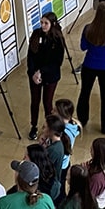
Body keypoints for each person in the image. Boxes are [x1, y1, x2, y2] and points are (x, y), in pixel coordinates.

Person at [76, 2, 105, 134]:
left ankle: (82, 120)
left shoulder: (88, 28)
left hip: (89, 64)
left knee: (85, 92)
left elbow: (83, 47)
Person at [27, 12, 65, 140]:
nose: (43, 25)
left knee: (47, 103)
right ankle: (33, 126)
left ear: (52, 24)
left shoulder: (57, 38)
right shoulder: (36, 34)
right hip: (35, 76)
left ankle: (50, 127)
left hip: (50, 76)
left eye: (46, 23)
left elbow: (57, 62)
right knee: (35, 101)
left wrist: (41, 71)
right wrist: (33, 73)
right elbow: (30, 55)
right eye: (42, 22)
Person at [40, 114, 72, 205]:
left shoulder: (54, 149)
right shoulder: (54, 143)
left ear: (51, 131)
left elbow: (43, 166)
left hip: (49, 186)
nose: (42, 129)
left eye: (45, 127)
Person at [54, 99, 82, 201]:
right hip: (65, 164)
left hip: (59, 167)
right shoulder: (72, 127)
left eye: (54, 111)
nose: (52, 112)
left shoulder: (63, 133)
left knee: (58, 192)